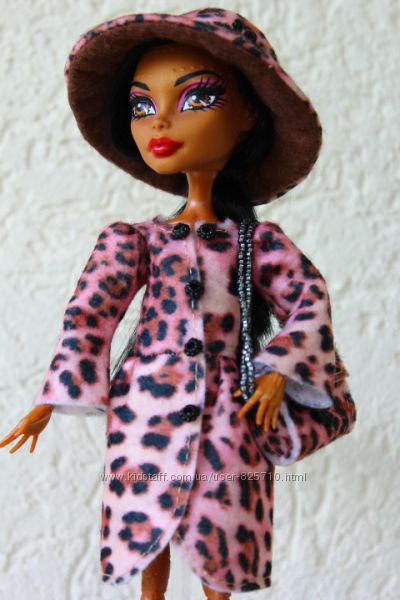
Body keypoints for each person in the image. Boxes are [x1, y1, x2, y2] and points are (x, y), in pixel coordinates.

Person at [0, 8, 356, 600]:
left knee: (222, 526)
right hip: (144, 406)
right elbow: (91, 314)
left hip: (232, 410)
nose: (160, 119)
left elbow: (307, 300)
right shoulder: (136, 241)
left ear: (248, 117)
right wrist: (53, 398)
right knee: (145, 521)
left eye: (197, 97)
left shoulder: (258, 243)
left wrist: (277, 370)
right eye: (142, 105)